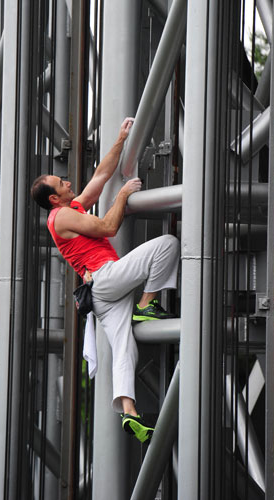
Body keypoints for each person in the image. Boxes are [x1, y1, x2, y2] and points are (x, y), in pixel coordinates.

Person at [31, 117, 180, 443]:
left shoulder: (71, 207)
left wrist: (121, 138)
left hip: (99, 294)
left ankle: (129, 412)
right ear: (54, 199)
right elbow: (109, 227)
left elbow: (101, 174)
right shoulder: (64, 216)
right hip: (105, 279)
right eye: (62, 182)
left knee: (125, 349)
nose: (68, 182)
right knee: (167, 246)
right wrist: (122, 196)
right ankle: (147, 303)